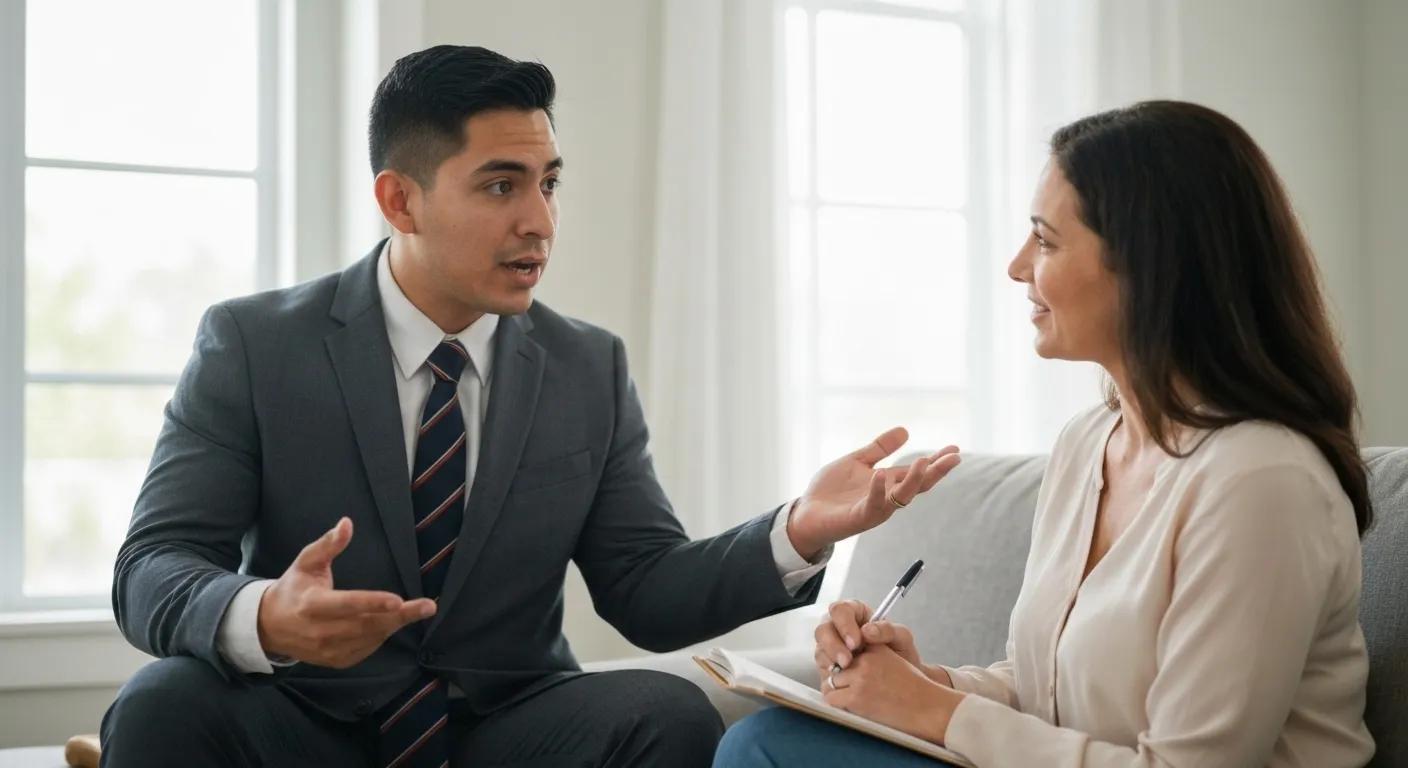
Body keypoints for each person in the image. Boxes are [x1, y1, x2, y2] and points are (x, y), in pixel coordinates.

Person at [98, 45, 962, 768]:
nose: (541, 221)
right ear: (401, 199)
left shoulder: (587, 364)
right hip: (303, 722)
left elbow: (644, 589)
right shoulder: (255, 346)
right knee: (162, 703)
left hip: (501, 731)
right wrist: (265, 616)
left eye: (550, 183)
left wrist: (800, 529)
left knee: (669, 713)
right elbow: (154, 566)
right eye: (501, 186)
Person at [715, 100, 1377, 767]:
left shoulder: (1261, 480)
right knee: (770, 742)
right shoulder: (1088, 443)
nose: (1016, 266)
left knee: (766, 750)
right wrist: (923, 687)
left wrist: (938, 712)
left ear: (1148, 265)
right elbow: (1046, 698)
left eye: (1046, 240)